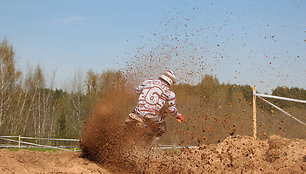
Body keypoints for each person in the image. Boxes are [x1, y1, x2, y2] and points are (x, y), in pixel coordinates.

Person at [125, 70, 184, 145]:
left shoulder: (148, 81)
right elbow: (171, 109)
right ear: (171, 81)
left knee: (130, 119)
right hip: (152, 117)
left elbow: (137, 91)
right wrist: (178, 116)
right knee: (162, 128)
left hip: (137, 112)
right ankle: (147, 146)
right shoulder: (170, 93)